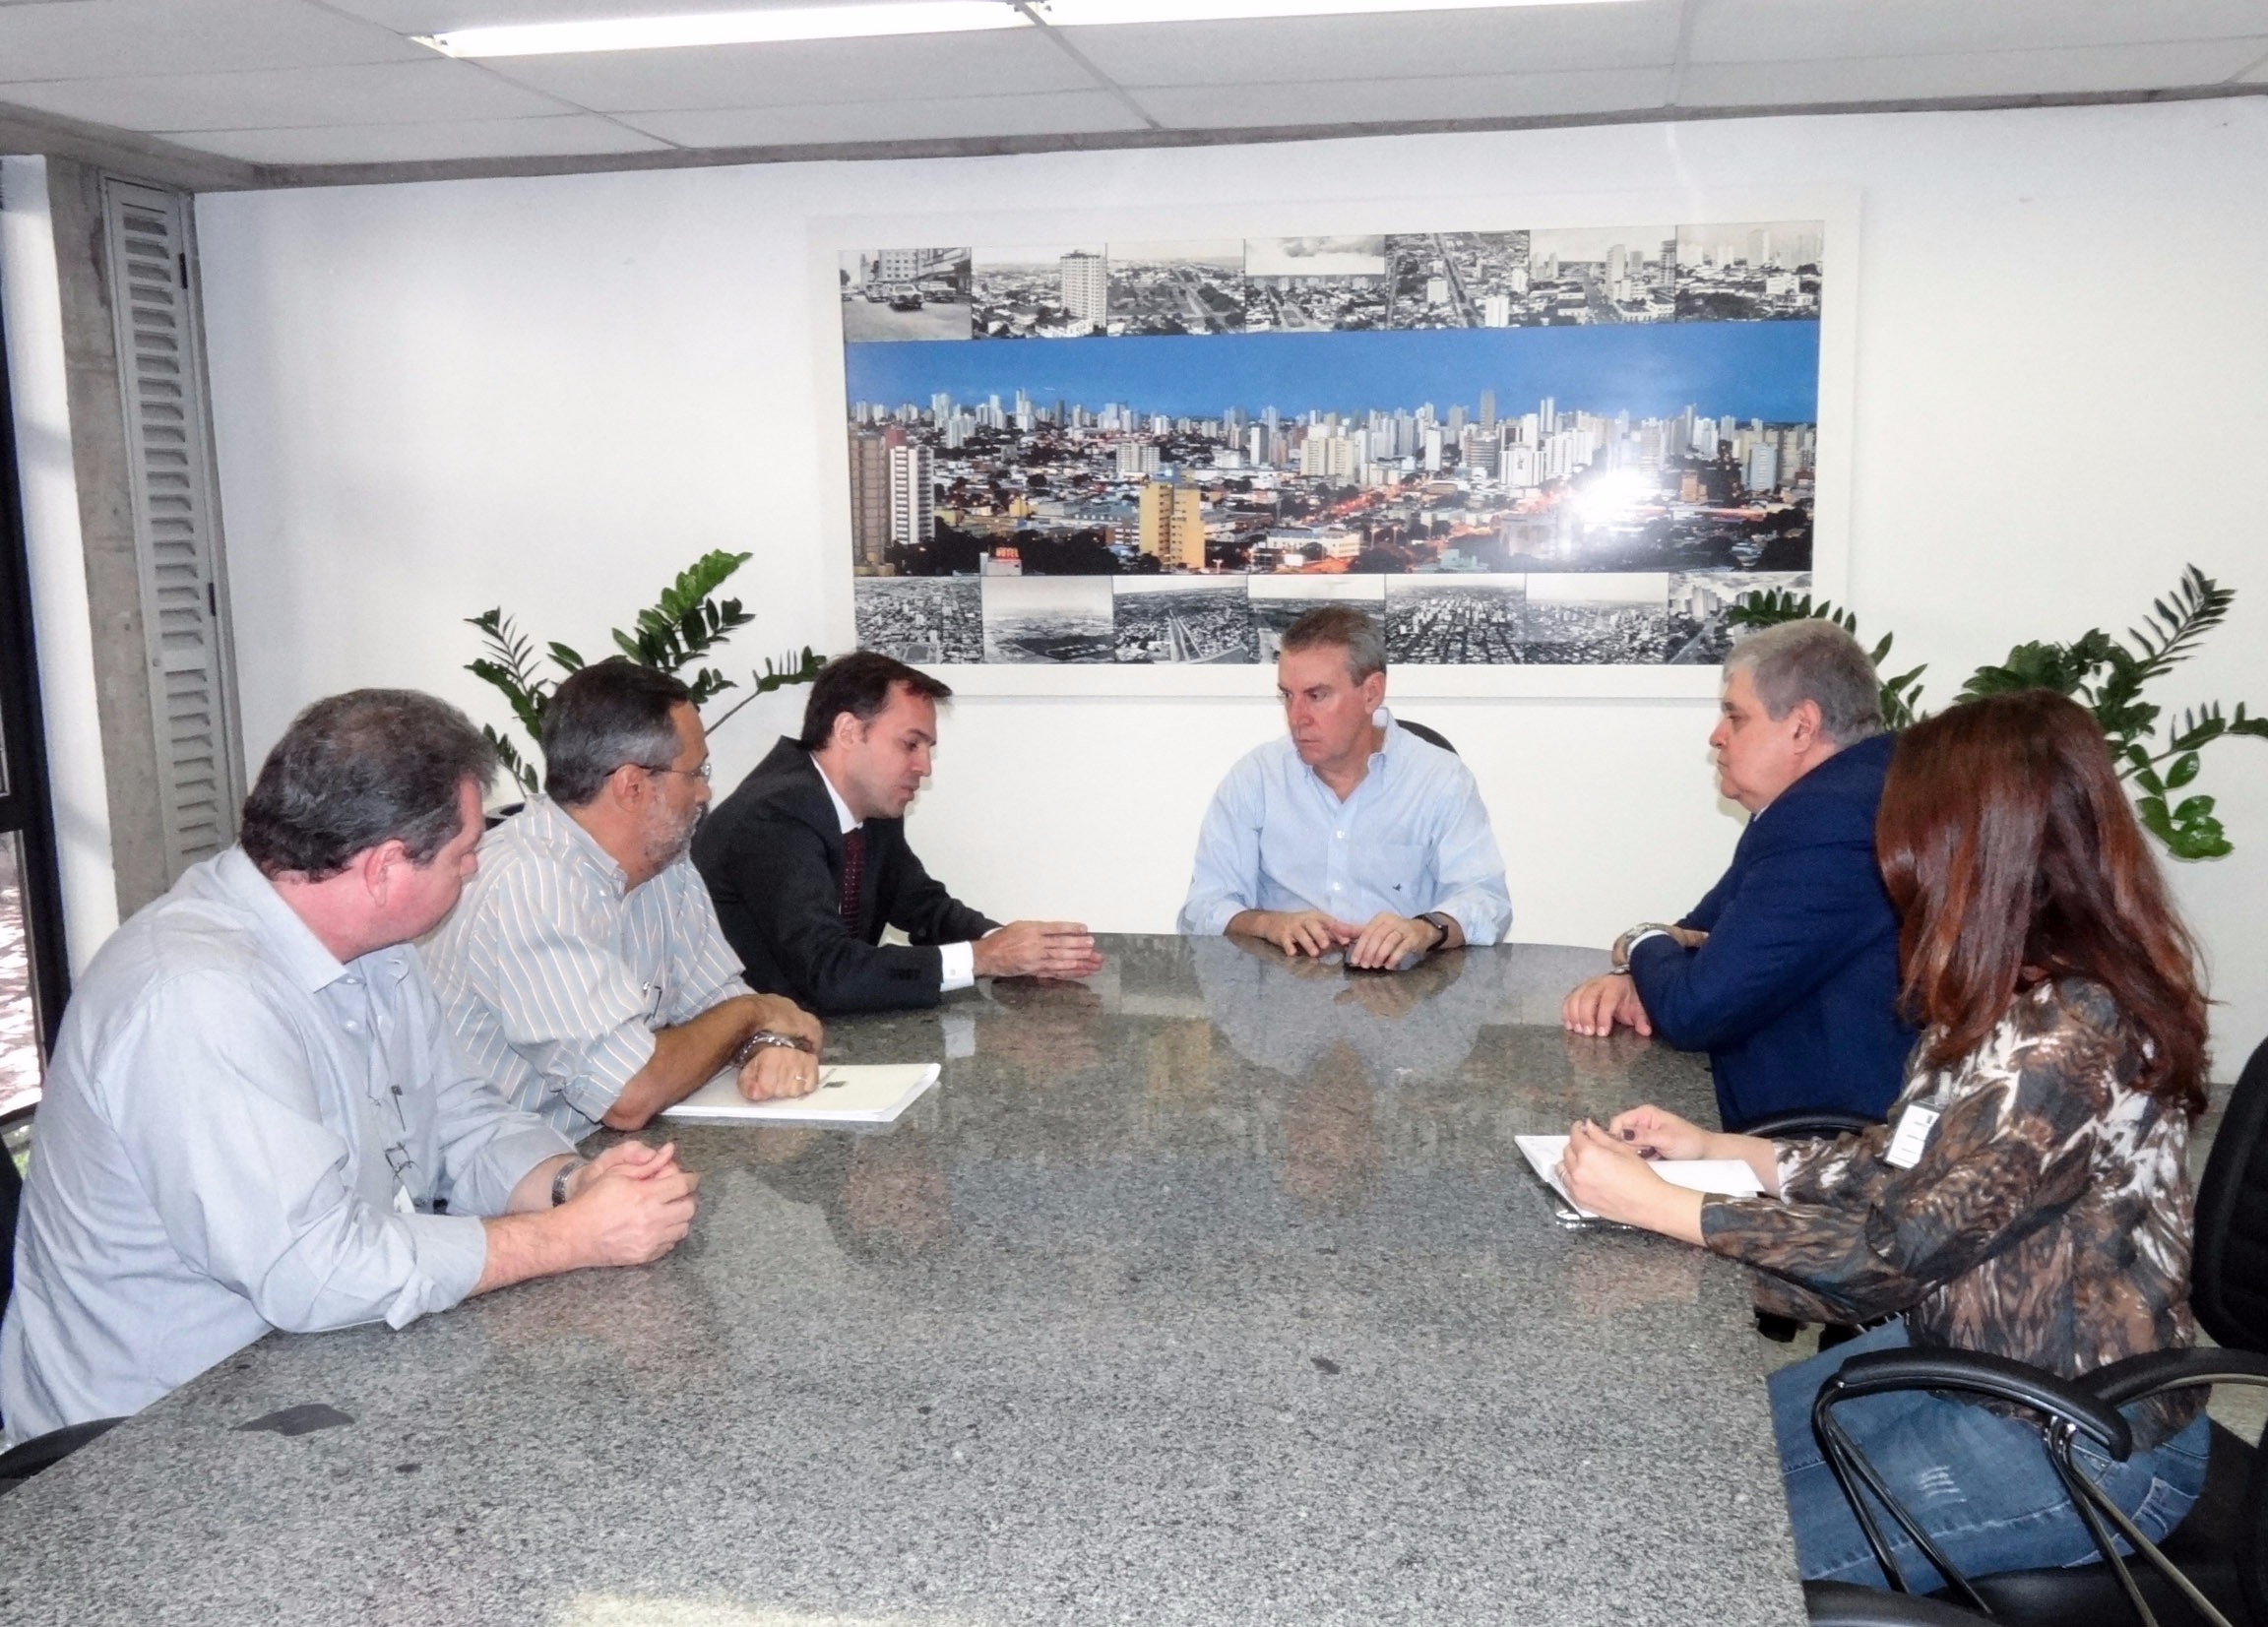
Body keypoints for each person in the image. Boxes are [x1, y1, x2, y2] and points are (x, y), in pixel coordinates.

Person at [1559, 690, 2215, 1593]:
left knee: (1700, 1561)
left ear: (1980, 845)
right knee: (1681, 1473)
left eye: (1909, 829)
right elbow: (1901, 1162)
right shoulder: (2008, 986)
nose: (1891, 855)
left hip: (2073, 1435)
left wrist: (1670, 1208)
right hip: (1962, 1358)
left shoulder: (2071, 1036)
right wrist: (1727, 1150)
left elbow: (1891, 1252)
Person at [0, 691, 701, 1445]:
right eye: (465, 852)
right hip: (145, 1441)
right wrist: (568, 1238)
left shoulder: (373, 948)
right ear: (384, 867)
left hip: (305, 1378)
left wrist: (569, 1182)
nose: (476, 866)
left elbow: (456, 1117)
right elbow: (314, 1268)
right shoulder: (195, 998)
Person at [425, 660, 825, 1142]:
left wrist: (768, 1044)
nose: (704, 792)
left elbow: (717, 1000)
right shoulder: (528, 885)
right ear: (632, 786)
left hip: (604, 1155)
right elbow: (629, 1095)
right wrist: (754, 1015)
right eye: (695, 772)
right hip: (510, 1174)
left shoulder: (666, 865)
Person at [1561, 619, 1915, 1129]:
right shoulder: (1841, 794)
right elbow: (1701, 932)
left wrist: (1639, 940)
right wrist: (1635, 975)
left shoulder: (1829, 817)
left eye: (1735, 716)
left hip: (1817, 1130)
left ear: (1802, 726)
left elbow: (1693, 1011)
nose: (1717, 736)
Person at [692, 651, 1102, 1017]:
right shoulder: (774, 815)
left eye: (928, 749)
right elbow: (829, 972)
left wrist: (1012, 945)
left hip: (827, 1032)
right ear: (849, 731)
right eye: (910, 745)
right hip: (750, 1045)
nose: (924, 767)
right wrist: (983, 958)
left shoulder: (871, 805)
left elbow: (924, 906)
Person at [1178, 604, 1510, 970]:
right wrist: (1267, 924)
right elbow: (1202, 908)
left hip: (1402, 992)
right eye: (1287, 695)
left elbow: (1487, 901)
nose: (1296, 717)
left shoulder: (1440, 779)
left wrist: (1425, 929)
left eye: (1316, 696)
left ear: (1371, 693)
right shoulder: (1255, 779)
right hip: (1284, 989)